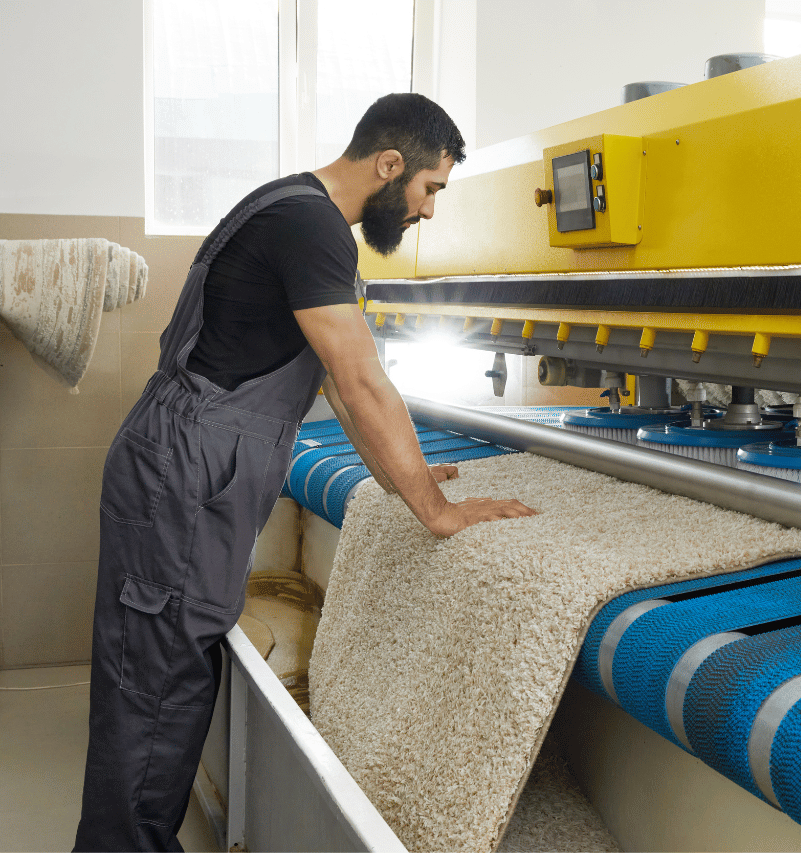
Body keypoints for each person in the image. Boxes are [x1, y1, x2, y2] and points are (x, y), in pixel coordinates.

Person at [74, 93, 535, 851]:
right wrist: (437, 513)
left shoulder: (289, 206)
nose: (427, 212)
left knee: (169, 673)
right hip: (187, 469)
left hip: (187, 459)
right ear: (390, 166)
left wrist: (405, 477)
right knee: (154, 686)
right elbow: (360, 379)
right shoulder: (312, 227)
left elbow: (331, 376)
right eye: (429, 189)